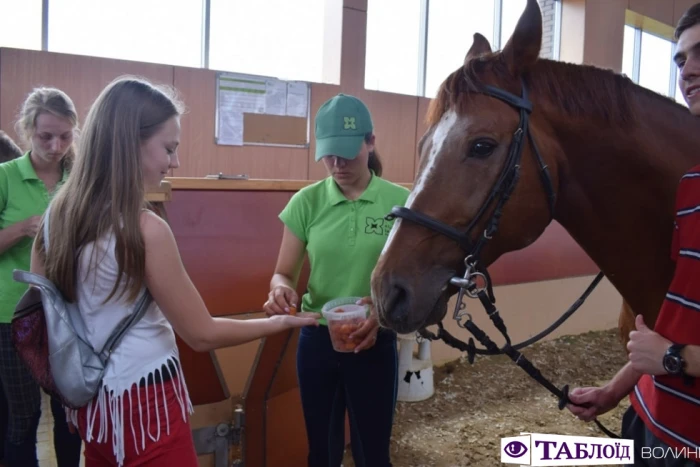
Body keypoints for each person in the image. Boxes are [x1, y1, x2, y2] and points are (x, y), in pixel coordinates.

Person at [28, 76, 319, 467]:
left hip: (91, 402)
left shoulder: (53, 221)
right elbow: (202, 333)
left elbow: (50, 320)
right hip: (147, 403)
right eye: (169, 148)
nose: (175, 162)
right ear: (130, 143)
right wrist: (282, 324)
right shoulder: (143, 228)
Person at [567, 4, 700, 465]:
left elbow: (670, 347)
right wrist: (616, 388)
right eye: (681, 58)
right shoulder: (691, 185)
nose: (689, 70)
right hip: (647, 416)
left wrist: (671, 359)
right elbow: (678, 317)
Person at [263, 93, 410, 467]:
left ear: (370, 141)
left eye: (347, 152)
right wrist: (280, 287)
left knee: (373, 452)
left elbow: (408, 278)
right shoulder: (306, 203)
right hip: (318, 337)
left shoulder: (400, 203)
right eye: (329, 154)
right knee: (322, 450)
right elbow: (284, 271)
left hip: (374, 337)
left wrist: (382, 312)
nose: (337, 163)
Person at [0, 88, 83, 467]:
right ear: (27, 131)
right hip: (12, 316)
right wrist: (20, 229)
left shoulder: (78, 178)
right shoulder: (6, 177)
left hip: (66, 312)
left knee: (69, 415)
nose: (56, 145)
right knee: (23, 417)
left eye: (65, 136)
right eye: (45, 136)